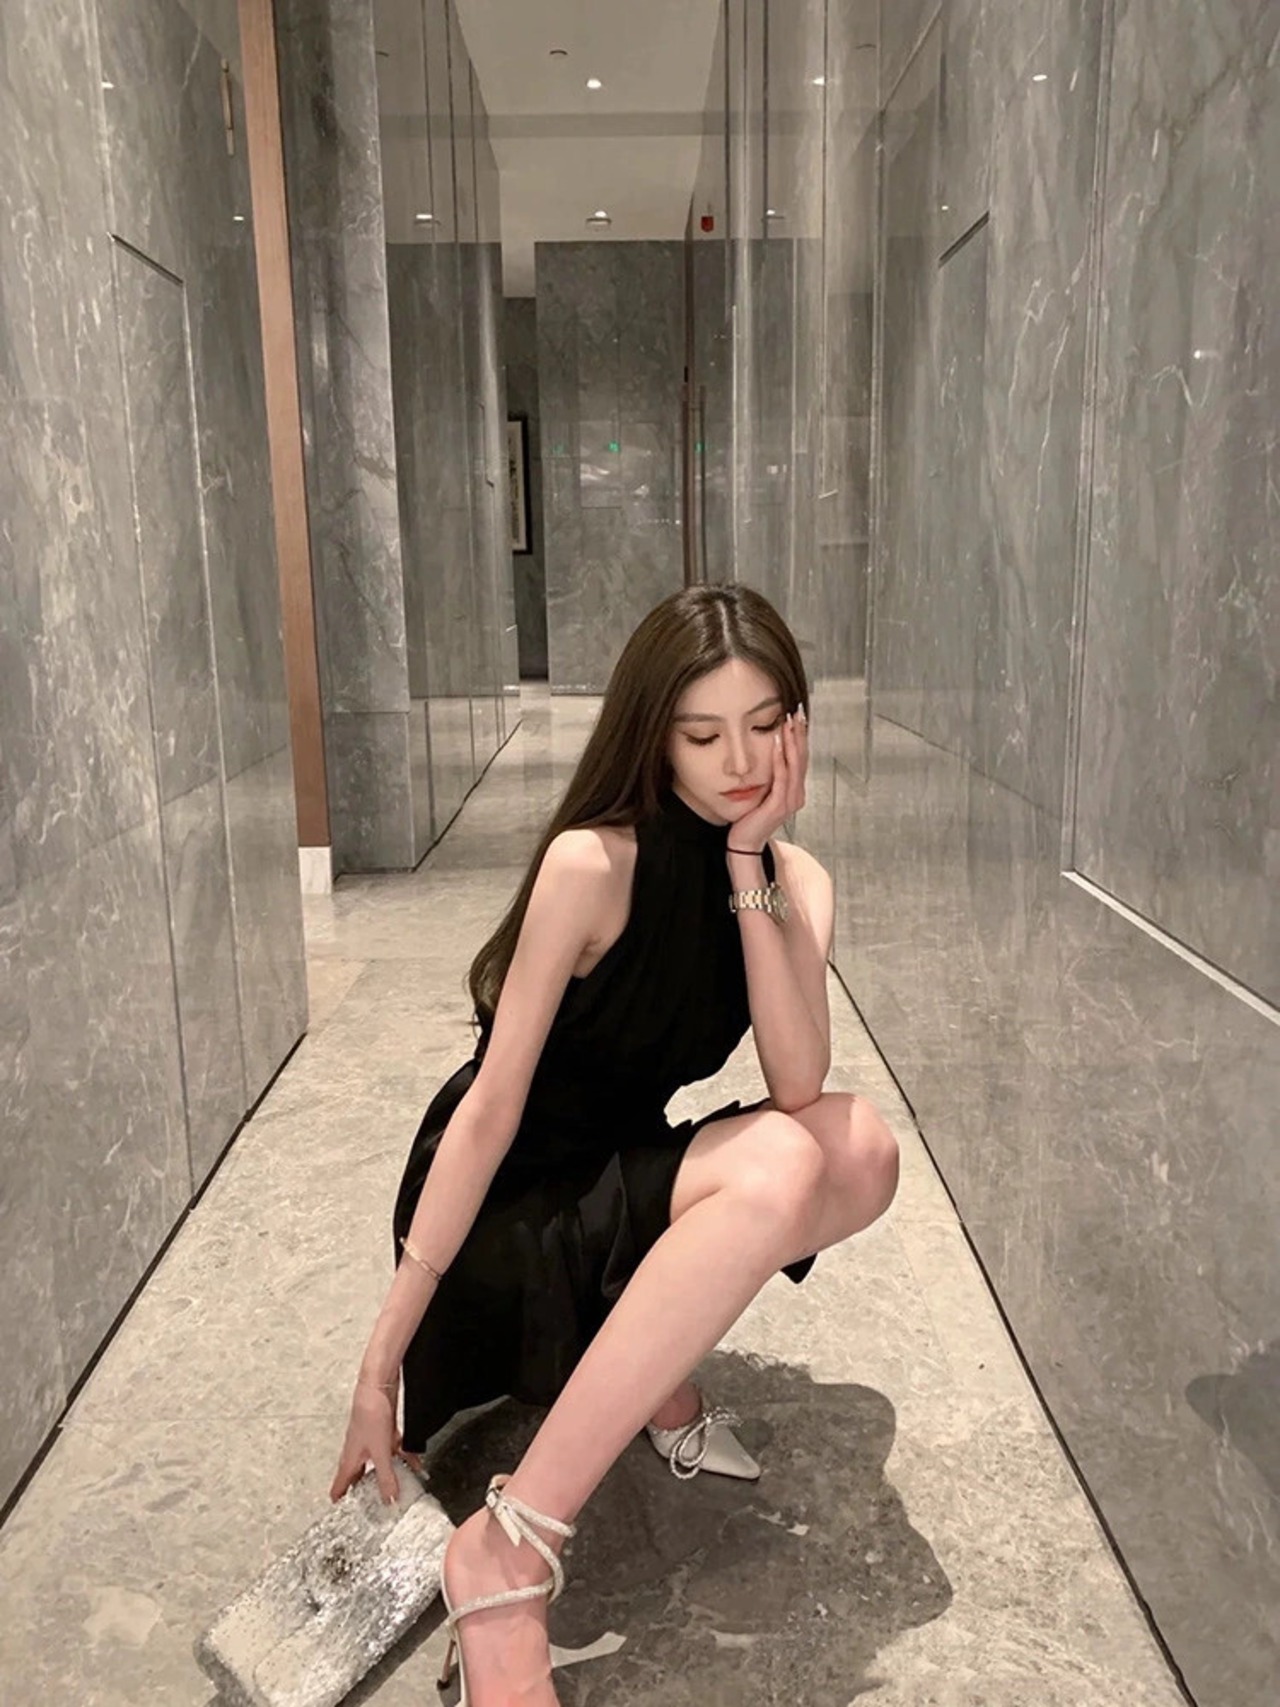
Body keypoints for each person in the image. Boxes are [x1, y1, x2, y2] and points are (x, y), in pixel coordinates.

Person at [330, 583, 900, 1705]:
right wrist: (379, 1355)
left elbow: (797, 1083)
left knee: (860, 1147)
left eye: (764, 724)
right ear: (654, 735)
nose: (740, 761)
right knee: (785, 1164)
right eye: (702, 735)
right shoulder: (591, 864)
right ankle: (506, 1553)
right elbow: (490, 1110)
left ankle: (639, 1370)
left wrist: (750, 861)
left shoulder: (795, 883)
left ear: (799, 725)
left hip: (621, 1165)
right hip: (512, 1200)